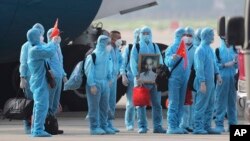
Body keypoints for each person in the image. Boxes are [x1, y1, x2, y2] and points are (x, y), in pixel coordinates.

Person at [130, 26, 166, 134]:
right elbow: (133, 63)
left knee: (157, 104)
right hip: (140, 80)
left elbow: (160, 62)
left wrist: (158, 76)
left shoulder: (154, 46)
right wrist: (137, 77)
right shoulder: (136, 47)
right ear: (140, 34)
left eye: (148, 33)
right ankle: (142, 126)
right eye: (144, 33)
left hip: (154, 81)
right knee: (141, 104)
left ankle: (158, 126)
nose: (146, 35)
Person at [27, 28, 59, 137]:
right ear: (36, 37)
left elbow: (47, 48)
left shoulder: (37, 48)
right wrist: (54, 41)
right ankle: (38, 130)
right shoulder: (35, 50)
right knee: (42, 106)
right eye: (40, 35)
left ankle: (36, 128)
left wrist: (51, 40)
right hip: (39, 83)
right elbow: (50, 52)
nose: (42, 37)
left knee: (38, 106)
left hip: (40, 82)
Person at [193, 27, 223, 134]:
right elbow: (199, 68)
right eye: (211, 35)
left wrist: (218, 74)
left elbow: (214, 64)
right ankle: (198, 127)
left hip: (211, 82)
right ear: (206, 35)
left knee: (210, 105)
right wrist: (202, 82)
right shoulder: (200, 50)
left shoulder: (210, 49)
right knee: (201, 105)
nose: (213, 37)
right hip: (204, 82)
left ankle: (207, 126)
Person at [84, 35, 114, 135]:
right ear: (102, 43)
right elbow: (89, 71)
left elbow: (109, 67)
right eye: (108, 43)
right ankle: (94, 127)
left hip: (105, 83)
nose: (109, 45)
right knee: (94, 106)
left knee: (104, 106)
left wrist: (109, 78)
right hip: (95, 83)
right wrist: (92, 84)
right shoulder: (93, 56)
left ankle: (104, 125)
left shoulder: (107, 54)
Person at [19, 23, 45, 134]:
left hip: (41, 78)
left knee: (40, 104)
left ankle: (39, 125)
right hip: (30, 79)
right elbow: (23, 63)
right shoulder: (26, 46)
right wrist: (23, 77)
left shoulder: (43, 45)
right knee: (30, 104)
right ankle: (28, 125)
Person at [165, 27, 190, 134]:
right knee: (174, 102)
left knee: (180, 103)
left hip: (184, 78)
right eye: (183, 35)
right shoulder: (172, 48)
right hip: (174, 79)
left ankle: (178, 125)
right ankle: (171, 126)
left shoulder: (186, 48)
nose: (186, 37)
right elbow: (167, 62)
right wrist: (172, 58)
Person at [214, 37, 238, 132]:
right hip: (222, 80)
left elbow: (237, 66)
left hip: (232, 80)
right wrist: (224, 65)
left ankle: (232, 124)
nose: (228, 40)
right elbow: (215, 65)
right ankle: (219, 124)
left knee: (232, 103)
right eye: (225, 39)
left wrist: (236, 62)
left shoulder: (235, 51)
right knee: (220, 102)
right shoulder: (218, 51)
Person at [46, 28, 67, 134]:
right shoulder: (48, 47)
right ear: (51, 36)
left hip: (59, 76)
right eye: (57, 35)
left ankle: (53, 125)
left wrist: (64, 75)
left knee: (56, 101)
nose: (59, 37)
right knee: (49, 101)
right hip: (53, 78)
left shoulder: (58, 47)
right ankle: (47, 125)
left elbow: (60, 62)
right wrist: (51, 74)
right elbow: (47, 63)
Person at [120, 28, 140, 131]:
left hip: (143, 79)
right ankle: (129, 123)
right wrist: (123, 75)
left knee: (141, 102)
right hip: (132, 78)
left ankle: (142, 124)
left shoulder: (147, 47)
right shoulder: (130, 47)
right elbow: (123, 62)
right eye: (138, 34)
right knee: (131, 103)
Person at [179, 27, 197, 132]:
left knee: (191, 102)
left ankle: (191, 123)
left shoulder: (195, 50)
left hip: (191, 79)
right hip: (180, 78)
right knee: (182, 102)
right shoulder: (179, 48)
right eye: (186, 35)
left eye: (190, 36)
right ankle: (183, 123)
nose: (188, 38)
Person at [107, 30, 123, 132]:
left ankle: (110, 124)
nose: (120, 40)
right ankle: (104, 124)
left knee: (112, 102)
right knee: (106, 102)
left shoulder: (117, 49)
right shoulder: (107, 49)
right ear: (112, 39)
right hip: (107, 79)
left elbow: (120, 60)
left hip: (114, 78)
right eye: (118, 38)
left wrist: (120, 72)